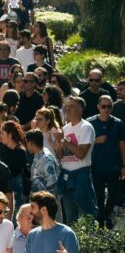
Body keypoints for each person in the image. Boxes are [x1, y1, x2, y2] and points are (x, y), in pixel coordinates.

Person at [54, 97, 97, 224]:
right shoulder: (65, 128)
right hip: (66, 174)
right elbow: (60, 156)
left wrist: (63, 140)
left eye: (72, 106)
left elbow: (81, 153)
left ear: (81, 109)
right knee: (70, 215)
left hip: (81, 174)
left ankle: (88, 242)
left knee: (86, 214)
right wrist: (58, 142)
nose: (68, 109)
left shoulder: (86, 127)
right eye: (67, 106)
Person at [86, 95, 125, 228]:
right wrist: (96, 140)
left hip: (113, 166)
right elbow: (83, 143)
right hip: (96, 166)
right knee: (99, 196)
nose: (106, 109)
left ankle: (105, 215)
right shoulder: (90, 122)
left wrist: (124, 165)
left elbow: (122, 145)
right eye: (103, 106)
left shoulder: (118, 123)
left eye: (109, 106)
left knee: (114, 194)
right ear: (98, 107)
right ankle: (102, 223)